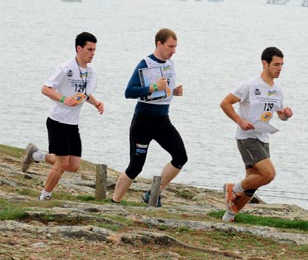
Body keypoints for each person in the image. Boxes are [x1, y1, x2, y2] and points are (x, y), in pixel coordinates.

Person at [22, 32, 104, 201]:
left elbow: (83, 93)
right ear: (79, 48)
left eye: (94, 50)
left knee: (73, 166)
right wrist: (63, 99)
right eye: (89, 49)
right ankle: (44, 197)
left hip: (72, 124)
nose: (92, 53)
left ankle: (36, 155)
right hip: (57, 121)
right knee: (62, 163)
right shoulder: (65, 68)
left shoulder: (90, 72)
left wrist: (96, 103)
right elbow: (45, 88)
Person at [111, 28, 187, 206]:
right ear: (159, 44)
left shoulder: (170, 64)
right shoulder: (145, 63)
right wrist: (152, 87)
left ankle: (153, 193)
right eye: (170, 46)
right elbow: (129, 92)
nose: (173, 50)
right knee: (136, 166)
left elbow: (163, 90)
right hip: (143, 121)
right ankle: (114, 202)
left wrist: (173, 92)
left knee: (180, 157)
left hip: (162, 121)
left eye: (175, 47)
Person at [220, 47, 293, 222]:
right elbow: (225, 103)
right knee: (268, 174)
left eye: (282, 65)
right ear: (264, 63)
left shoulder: (278, 90)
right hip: (247, 137)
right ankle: (232, 188)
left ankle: (228, 218)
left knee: (253, 182)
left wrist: (285, 115)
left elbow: (279, 114)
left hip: (264, 137)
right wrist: (240, 121)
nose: (279, 68)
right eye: (276, 64)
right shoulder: (249, 86)